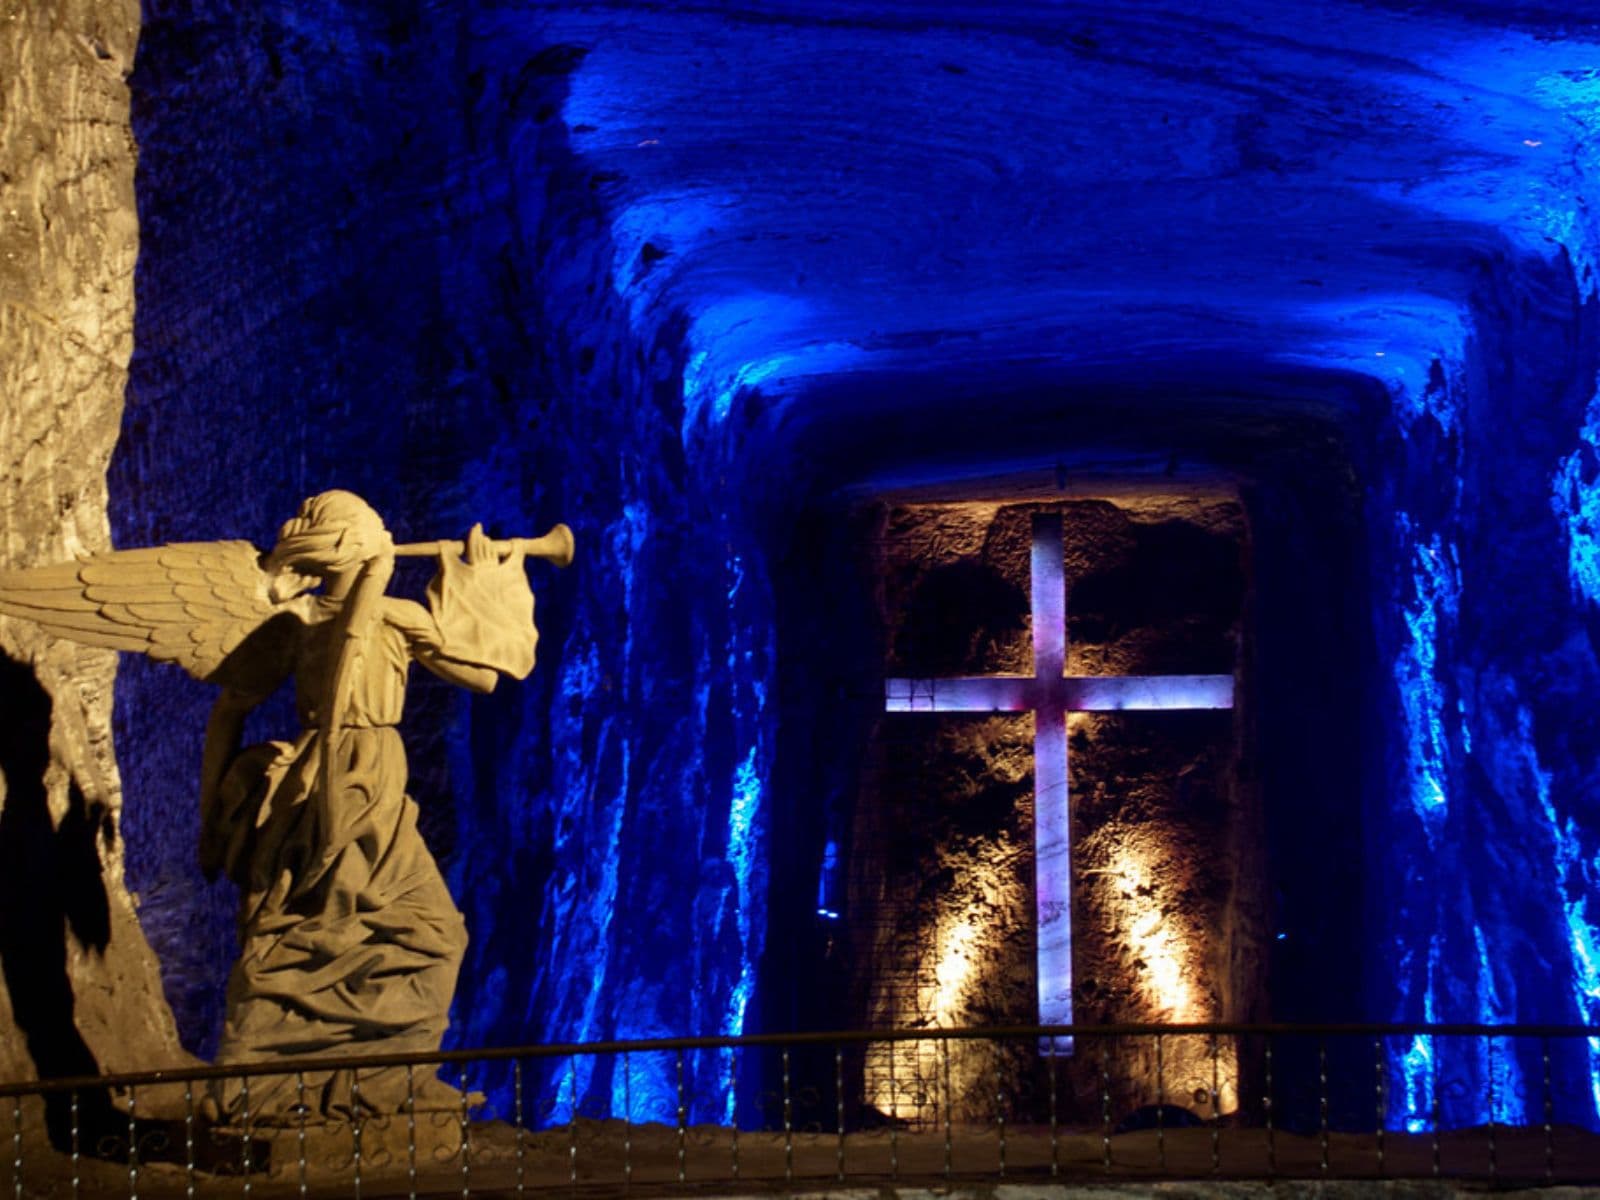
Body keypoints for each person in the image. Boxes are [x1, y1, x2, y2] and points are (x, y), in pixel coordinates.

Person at [196, 490, 539, 1119]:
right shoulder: (335, 620)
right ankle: (309, 1082)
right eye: (377, 533)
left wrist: (476, 579)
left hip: (358, 785)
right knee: (376, 932)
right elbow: (486, 673)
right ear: (354, 548)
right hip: (337, 787)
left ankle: (369, 1079)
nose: (387, 540)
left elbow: (483, 673)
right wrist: (485, 583)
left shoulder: (348, 619)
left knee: (379, 933)